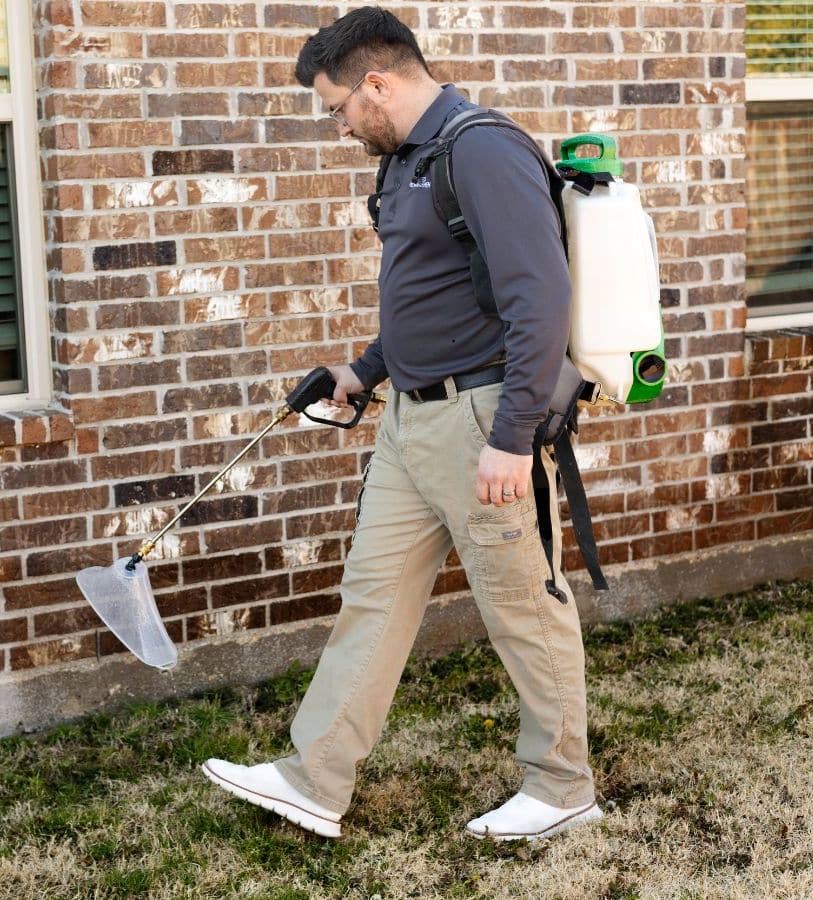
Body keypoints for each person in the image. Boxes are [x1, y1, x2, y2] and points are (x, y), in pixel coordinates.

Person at [201, 7, 602, 842]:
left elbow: (541, 300)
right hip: (409, 422)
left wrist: (511, 437)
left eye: (340, 108)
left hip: (483, 421)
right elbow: (435, 292)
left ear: (377, 85)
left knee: (525, 607)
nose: (339, 125)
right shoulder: (411, 159)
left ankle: (563, 787)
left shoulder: (481, 150)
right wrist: (365, 371)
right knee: (373, 599)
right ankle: (315, 779)